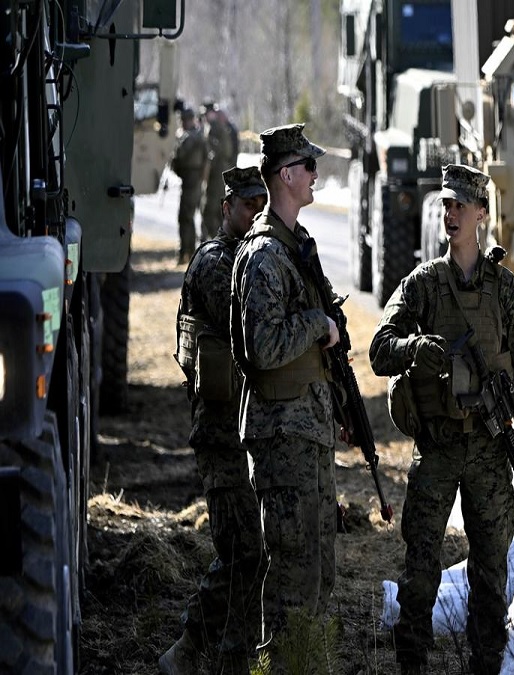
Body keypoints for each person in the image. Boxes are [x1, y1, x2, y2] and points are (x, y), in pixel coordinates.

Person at [369, 164, 514, 675]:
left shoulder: (507, 292)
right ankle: (412, 663)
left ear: (482, 215)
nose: (450, 214)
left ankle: (486, 664)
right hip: (439, 446)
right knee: (421, 566)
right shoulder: (424, 284)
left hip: (493, 451)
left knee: (491, 570)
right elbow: (379, 349)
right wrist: (414, 348)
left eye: (459, 206)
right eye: (445, 205)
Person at [229, 124, 339, 648]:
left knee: (319, 568)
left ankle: (305, 661)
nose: (317, 175)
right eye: (309, 167)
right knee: (293, 575)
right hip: (281, 431)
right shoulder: (265, 255)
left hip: (309, 428)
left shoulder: (297, 247)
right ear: (288, 175)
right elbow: (262, 347)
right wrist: (317, 324)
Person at [161, 167, 269, 675]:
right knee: (241, 549)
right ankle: (191, 648)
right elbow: (250, 320)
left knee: (252, 551)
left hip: (246, 430)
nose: (254, 214)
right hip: (221, 433)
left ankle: (229, 653)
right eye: (247, 205)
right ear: (227, 207)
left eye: (260, 204)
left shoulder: (253, 258)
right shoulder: (215, 263)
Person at [171, 107, 208, 264]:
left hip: (191, 179)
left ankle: (186, 252)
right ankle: (188, 251)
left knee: (185, 216)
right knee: (188, 216)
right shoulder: (197, 136)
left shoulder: (191, 137)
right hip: (192, 179)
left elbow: (179, 156)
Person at [202, 102, 241, 242]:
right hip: (220, 172)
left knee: (214, 210)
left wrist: (213, 123)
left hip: (222, 172)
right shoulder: (221, 129)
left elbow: (228, 151)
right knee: (216, 210)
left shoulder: (226, 130)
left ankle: (218, 241)